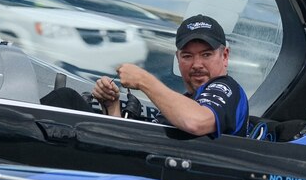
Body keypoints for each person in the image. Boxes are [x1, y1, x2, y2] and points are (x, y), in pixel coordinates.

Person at [92, 14, 249, 137]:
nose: (196, 64)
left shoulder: (225, 88)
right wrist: (112, 106)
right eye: (187, 56)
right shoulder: (185, 102)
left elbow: (196, 122)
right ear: (178, 59)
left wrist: (143, 80)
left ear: (225, 56)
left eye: (206, 55)